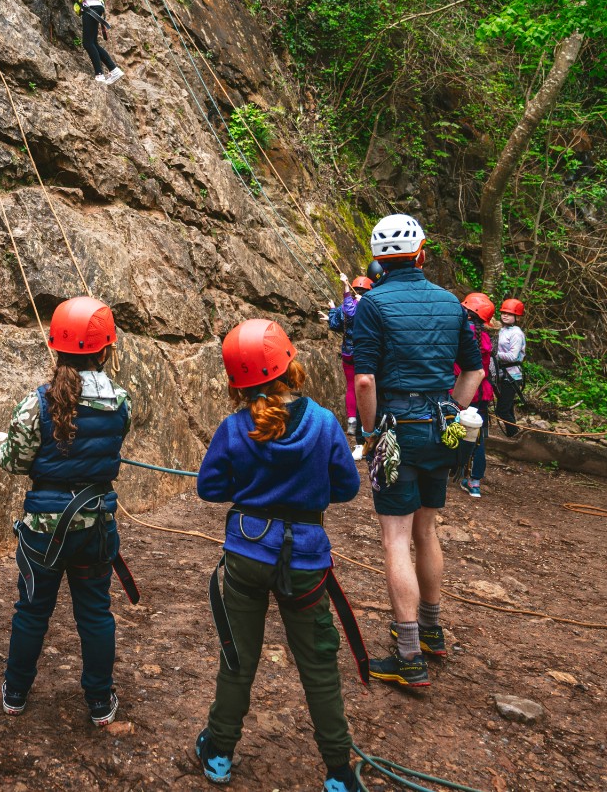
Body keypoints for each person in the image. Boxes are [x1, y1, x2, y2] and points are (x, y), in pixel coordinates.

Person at [193, 319, 366, 792]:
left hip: (247, 552)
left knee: (238, 657)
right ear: (289, 364)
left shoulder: (234, 428)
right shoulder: (325, 424)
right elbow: (347, 488)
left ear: (237, 381)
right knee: (318, 665)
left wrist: (247, 484)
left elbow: (209, 488)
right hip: (306, 560)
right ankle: (337, 770)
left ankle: (220, 753)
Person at [352, 214, 484, 688]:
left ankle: (408, 655)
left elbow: (364, 379)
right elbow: (474, 370)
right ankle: (431, 630)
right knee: (427, 531)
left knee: (395, 539)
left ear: (378, 260)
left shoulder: (373, 304)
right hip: (442, 429)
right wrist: (451, 407)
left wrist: (370, 435)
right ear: (421, 253)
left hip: (397, 428)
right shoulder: (452, 304)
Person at [0, 296, 134, 727]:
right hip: (95, 527)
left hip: (43, 529)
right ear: (106, 350)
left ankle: (16, 692)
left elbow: (14, 462)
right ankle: (98, 701)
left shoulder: (33, 404)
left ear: (56, 348)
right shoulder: (121, 403)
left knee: (32, 609)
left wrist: (6, 442)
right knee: (94, 613)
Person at [37, 0, 124, 84]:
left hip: (89, 5)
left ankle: (99, 75)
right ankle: (114, 70)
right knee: (93, 42)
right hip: (95, 4)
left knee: (87, 43)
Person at [325, 273, 375, 440]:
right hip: (364, 353)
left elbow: (336, 322)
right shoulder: (369, 306)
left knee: (352, 387)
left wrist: (333, 310)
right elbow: (350, 314)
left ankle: (353, 420)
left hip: (348, 352)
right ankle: (364, 421)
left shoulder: (351, 305)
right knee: (368, 385)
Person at [457, 293, 496, 498]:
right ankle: (474, 482)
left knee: (452, 429)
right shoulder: (486, 338)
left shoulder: (462, 332)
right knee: (478, 436)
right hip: (482, 392)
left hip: (462, 390)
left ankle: (449, 472)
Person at [493, 298, 527, 440]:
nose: (505, 315)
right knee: (508, 408)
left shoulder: (516, 334)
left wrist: (493, 353)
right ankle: (514, 435)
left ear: (516, 316)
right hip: (502, 374)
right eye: (503, 312)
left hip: (512, 376)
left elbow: (513, 356)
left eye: (509, 313)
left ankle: (514, 436)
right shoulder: (501, 330)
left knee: (502, 410)